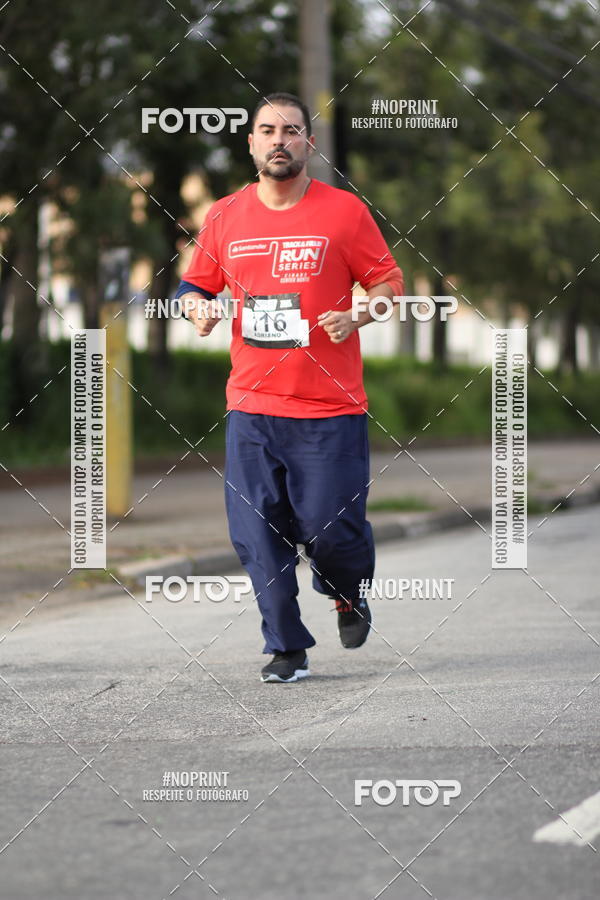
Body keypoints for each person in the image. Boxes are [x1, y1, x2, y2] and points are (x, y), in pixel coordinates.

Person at [175, 92, 403, 683]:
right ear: (251, 143)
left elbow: (387, 282)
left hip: (330, 408)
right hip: (252, 406)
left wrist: (360, 315)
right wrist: (196, 310)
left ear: (309, 142)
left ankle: (347, 590)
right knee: (255, 532)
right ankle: (285, 647)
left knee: (333, 528)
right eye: (267, 129)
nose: (279, 139)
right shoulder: (225, 215)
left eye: (292, 130)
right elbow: (192, 286)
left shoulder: (344, 213)